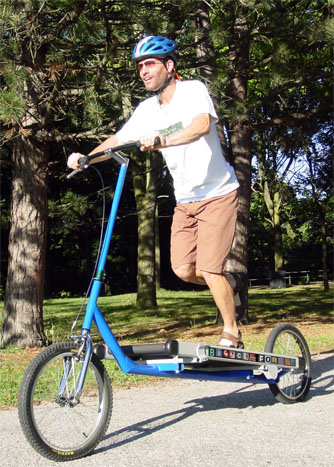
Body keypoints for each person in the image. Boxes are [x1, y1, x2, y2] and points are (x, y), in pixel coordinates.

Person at [67, 35, 246, 348]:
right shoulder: (147, 110)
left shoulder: (193, 91)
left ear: (169, 65)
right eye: (140, 66)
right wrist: (87, 158)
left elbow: (201, 125)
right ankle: (232, 283)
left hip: (218, 193)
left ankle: (231, 330)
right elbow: (118, 140)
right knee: (182, 269)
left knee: (208, 267)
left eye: (150, 64)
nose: (144, 71)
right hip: (187, 200)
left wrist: (163, 139)